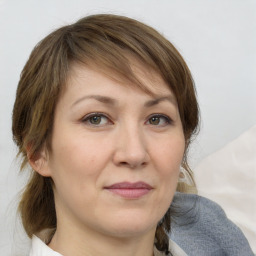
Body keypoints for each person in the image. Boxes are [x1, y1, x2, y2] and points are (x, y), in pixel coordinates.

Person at [12, 14, 253, 256]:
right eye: (96, 119)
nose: (134, 153)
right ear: (38, 152)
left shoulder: (212, 235)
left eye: (157, 119)